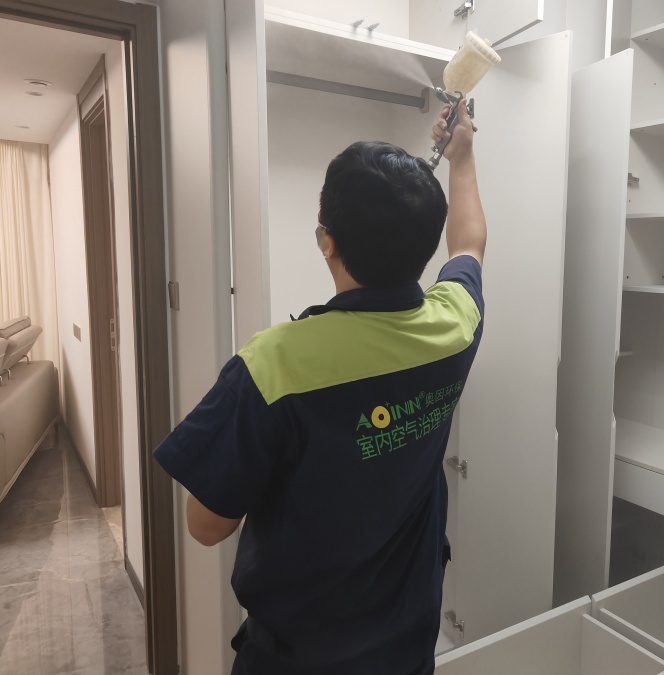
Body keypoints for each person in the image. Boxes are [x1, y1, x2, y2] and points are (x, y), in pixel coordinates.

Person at [153, 99, 486, 674]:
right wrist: (463, 156)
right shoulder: (454, 326)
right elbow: (470, 244)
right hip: (408, 645)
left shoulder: (275, 363)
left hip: (297, 657)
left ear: (326, 240)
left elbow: (205, 526)